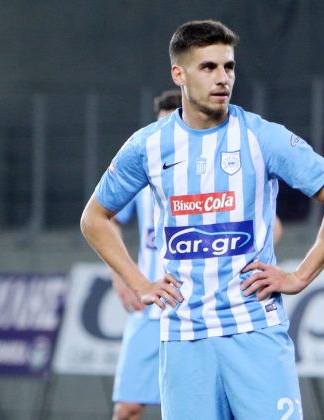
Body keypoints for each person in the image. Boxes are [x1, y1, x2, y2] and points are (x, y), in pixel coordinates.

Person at [81, 19, 324, 420]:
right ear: (178, 74)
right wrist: (139, 282)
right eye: (208, 67)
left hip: (254, 332)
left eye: (228, 67)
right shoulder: (148, 146)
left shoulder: (262, 137)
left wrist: (299, 276)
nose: (222, 78)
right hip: (184, 337)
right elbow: (94, 217)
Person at [109, 90, 182, 420]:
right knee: (127, 408)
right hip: (151, 305)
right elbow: (106, 218)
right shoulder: (141, 167)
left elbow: (271, 225)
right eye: (158, 126)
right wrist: (122, 275)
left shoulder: (213, 168)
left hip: (201, 307)